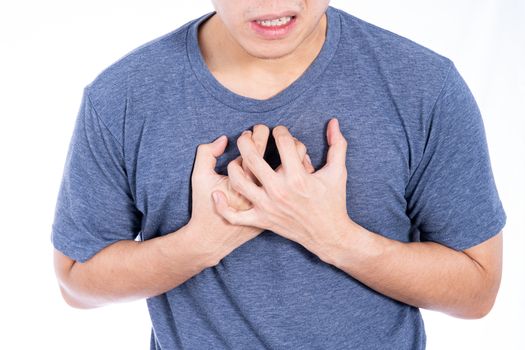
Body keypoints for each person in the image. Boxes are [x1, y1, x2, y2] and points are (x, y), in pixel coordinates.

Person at [51, 1, 507, 349]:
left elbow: (477, 290)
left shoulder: (425, 86)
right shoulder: (121, 97)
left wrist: (334, 237)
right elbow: (76, 280)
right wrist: (201, 242)